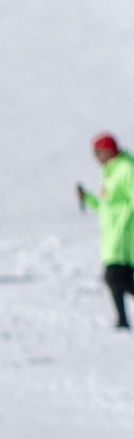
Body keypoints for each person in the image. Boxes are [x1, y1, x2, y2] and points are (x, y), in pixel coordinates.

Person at [77, 132, 133, 330]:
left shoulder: (126, 169)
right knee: (117, 280)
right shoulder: (111, 173)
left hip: (125, 237)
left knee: (115, 278)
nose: (96, 158)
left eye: (98, 153)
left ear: (109, 151)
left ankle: (122, 321)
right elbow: (107, 206)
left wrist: (126, 224)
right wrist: (88, 199)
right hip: (113, 236)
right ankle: (122, 321)